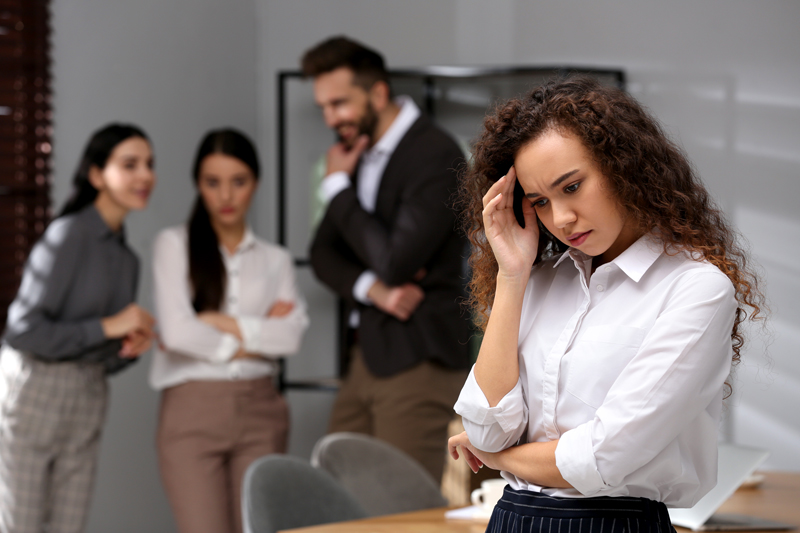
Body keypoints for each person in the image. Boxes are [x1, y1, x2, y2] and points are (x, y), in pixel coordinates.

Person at [448, 76, 765, 532]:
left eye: (572, 187)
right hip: (511, 519)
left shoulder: (696, 289)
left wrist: (496, 457)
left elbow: (603, 455)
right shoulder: (535, 282)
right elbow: (485, 428)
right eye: (540, 202)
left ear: (624, 167)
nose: (561, 218)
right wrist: (512, 276)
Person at [301, 36, 471, 482]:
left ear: (378, 93)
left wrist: (337, 189)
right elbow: (321, 254)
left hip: (418, 355)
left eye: (339, 103)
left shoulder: (436, 154)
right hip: (365, 357)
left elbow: (395, 260)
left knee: (400, 508)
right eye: (323, 107)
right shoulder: (356, 155)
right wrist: (372, 289)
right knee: (337, 495)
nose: (330, 118)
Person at [0, 124, 157, 533]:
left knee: (69, 528)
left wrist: (128, 348)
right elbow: (22, 332)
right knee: (21, 527)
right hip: (36, 391)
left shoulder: (128, 261)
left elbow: (102, 357)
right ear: (96, 174)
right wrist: (108, 326)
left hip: (88, 396)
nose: (145, 176)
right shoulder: (68, 235)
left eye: (149, 165)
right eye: (130, 164)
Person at [150, 128, 308, 533]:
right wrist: (258, 337)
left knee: (259, 526)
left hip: (261, 410)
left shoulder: (276, 260)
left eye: (238, 182)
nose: (225, 196)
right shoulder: (173, 246)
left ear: (255, 183)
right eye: (212, 182)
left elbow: (290, 337)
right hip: (191, 413)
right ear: (197, 184)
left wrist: (216, 323)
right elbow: (177, 332)